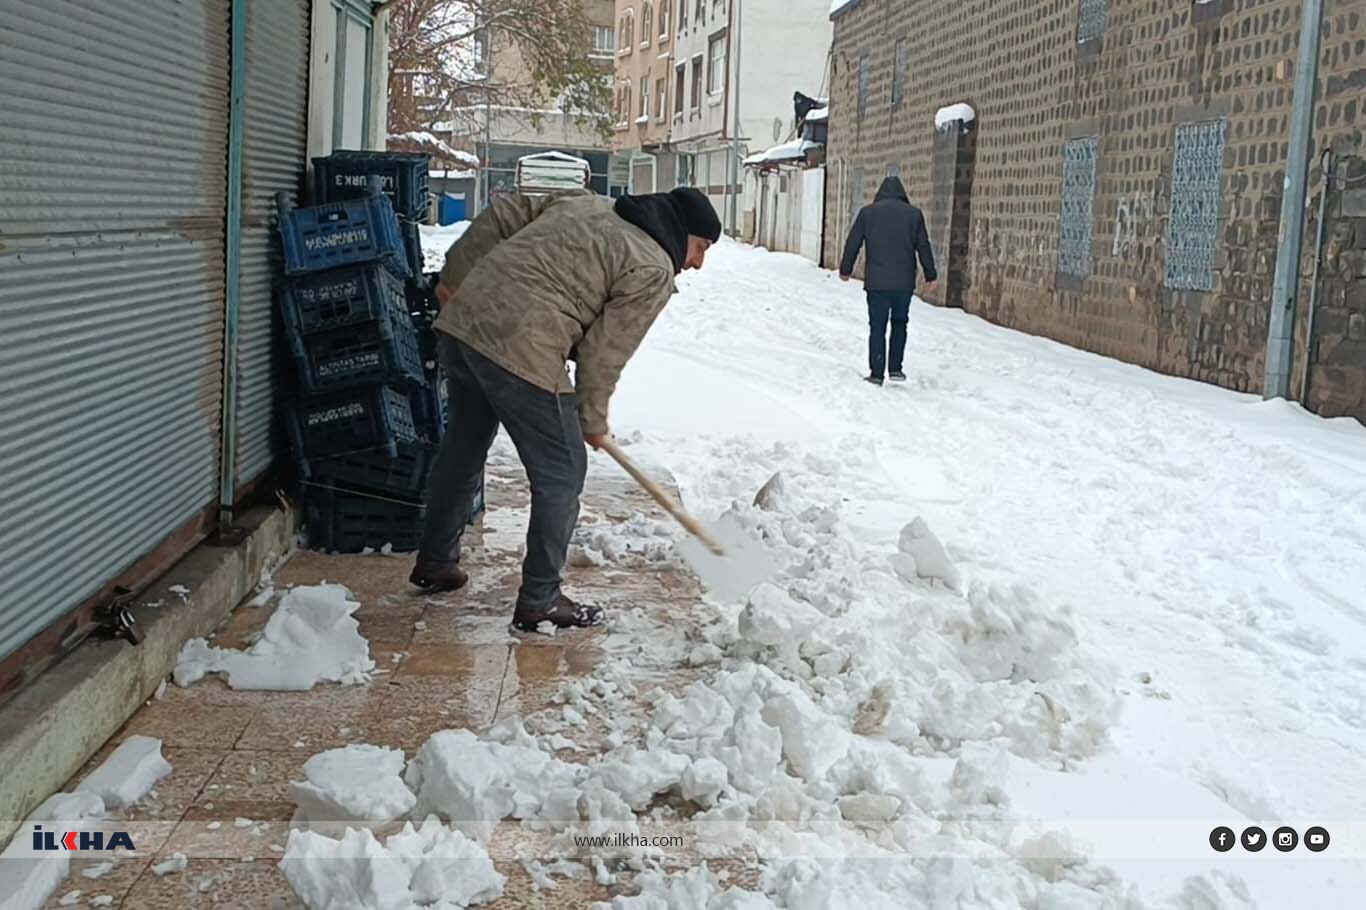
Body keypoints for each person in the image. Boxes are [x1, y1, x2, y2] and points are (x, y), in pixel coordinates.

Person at [411, 187, 721, 632]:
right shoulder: (651, 266)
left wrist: (455, 277)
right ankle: (540, 599)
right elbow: (604, 353)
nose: (696, 263)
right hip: (523, 344)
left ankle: (437, 560)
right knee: (562, 470)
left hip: (463, 328)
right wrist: (591, 420)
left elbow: (506, 210)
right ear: (680, 232)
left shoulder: (584, 202)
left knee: (464, 445)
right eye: (700, 247)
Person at [838, 176, 938, 386]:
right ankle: (895, 368)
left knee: (877, 326)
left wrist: (845, 269)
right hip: (903, 283)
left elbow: (853, 242)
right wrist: (931, 275)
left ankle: (876, 373)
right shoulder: (914, 215)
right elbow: (924, 246)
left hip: (876, 283)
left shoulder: (868, 213)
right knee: (900, 323)